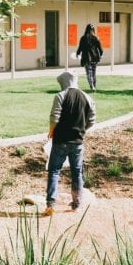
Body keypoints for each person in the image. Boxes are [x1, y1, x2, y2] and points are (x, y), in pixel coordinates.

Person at [43, 70, 97, 216]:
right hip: (78, 141)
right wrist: (82, 130)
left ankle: (51, 204)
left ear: (63, 82)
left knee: (54, 171)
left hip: (60, 140)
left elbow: (54, 117)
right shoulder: (87, 97)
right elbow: (92, 120)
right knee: (77, 172)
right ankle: (77, 204)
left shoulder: (60, 96)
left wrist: (51, 131)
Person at [75, 23, 103, 92]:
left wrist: (77, 53)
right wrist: (101, 55)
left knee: (89, 73)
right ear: (93, 30)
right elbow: (100, 49)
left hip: (86, 58)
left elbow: (80, 48)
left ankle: (92, 86)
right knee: (93, 73)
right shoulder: (96, 38)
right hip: (95, 58)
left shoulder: (83, 38)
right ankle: (94, 86)